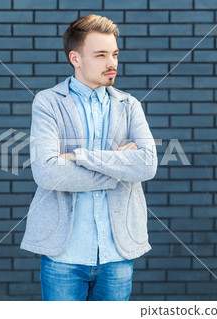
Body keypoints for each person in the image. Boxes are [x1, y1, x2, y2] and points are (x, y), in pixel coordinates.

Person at [20, 14, 158, 301]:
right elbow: (47, 172)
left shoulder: (129, 105)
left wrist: (79, 157)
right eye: (101, 55)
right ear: (76, 58)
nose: (112, 63)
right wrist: (118, 167)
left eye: (115, 54)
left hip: (117, 253)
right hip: (64, 255)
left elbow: (147, 164)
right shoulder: (48, 103)